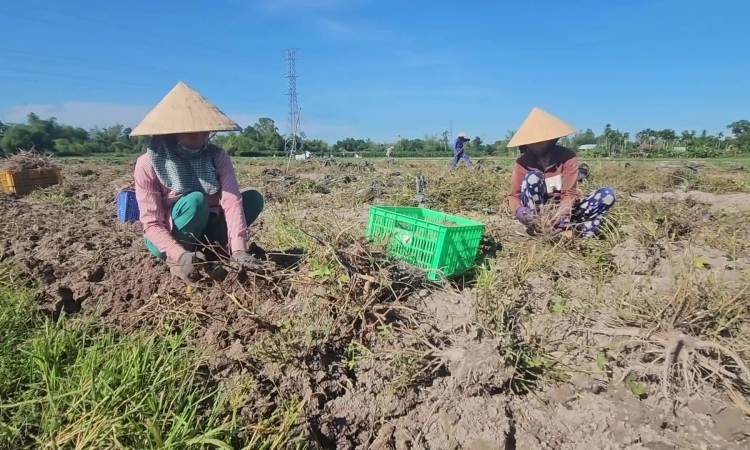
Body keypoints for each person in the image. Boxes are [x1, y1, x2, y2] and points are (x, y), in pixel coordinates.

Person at [131, 81, 265, 283]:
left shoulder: (218, 157)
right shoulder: (147, 164)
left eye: (203, 129)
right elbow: (151, 223)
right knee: (196, 201)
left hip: (206, 226)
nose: (199, 135)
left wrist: (239, 250)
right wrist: (180, 255)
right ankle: (184, 259)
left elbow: (231, 202)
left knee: (252, 199)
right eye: (190, 129)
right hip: (168, 236)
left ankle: (212, 250)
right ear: (170, 131)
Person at [507, 107, 616, 237]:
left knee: (607, 194)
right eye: (533, 142)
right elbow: (514, 196)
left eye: (540, 141)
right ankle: (537, 228)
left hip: (564, 212)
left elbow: (569, 194)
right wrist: (519, 210)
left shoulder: (567, 157)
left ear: (551, 139)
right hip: (537, 214)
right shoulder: (523, 162)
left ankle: (569, 231)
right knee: (532, 178)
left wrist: (561, 216)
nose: (536, 144)